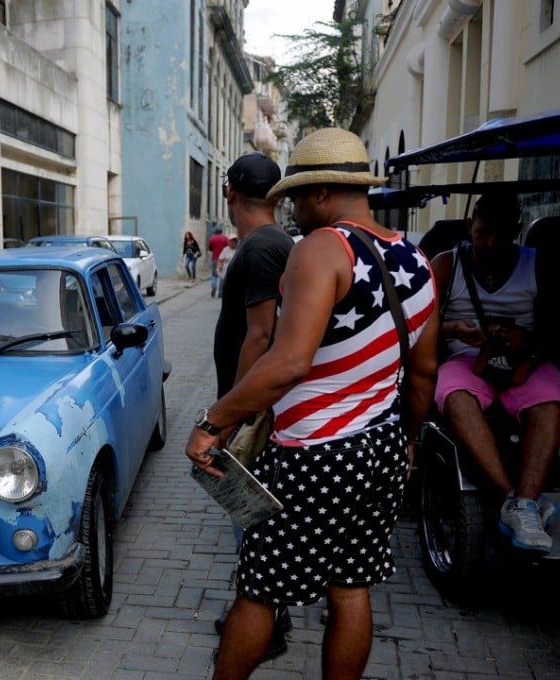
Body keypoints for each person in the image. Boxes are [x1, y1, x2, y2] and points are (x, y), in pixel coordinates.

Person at [187, 127, 439, 680]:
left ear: (322, 192)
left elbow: (287, 362)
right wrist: (411, 441)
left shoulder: (323, 249)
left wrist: (214, 422)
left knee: (259, 592)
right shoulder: (416, 261)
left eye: (297, 195)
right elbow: (423, 373)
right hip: (382, 450)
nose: (292, 209)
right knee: (351, 588)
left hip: (316, 453)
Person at [430, 192, 560, 552]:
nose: (488, 243)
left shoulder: (538, 266)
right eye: (482, 232)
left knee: (551, 404)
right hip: (466, 362)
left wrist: (528, 339)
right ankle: (512, 500)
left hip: (524, 365)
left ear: (516, 232)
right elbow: (414, 328)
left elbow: (554, 328)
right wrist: (454, 329)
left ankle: (527, 501)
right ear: (470, 225)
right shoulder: (446, 265)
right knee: (455, 398)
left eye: (500, 235)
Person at [211, 151, 293, 660]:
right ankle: (266, 614)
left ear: (230, 193)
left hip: (253, 412)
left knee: (250, 517)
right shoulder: (272, 241)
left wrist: (229, 416)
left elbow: (260, 335)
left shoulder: (263, 247)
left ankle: (264, 621)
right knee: (254, 517)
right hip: (255, 405)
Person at [208, 227, 229, 297]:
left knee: (214, 274)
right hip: (223, 259)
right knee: (222, 275)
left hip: (215, 258)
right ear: (221, 231)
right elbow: (227, 247)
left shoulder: (212, 238)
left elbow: (210, 248)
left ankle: (214, 285)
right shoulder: (225, 238)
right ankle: (221, 291)